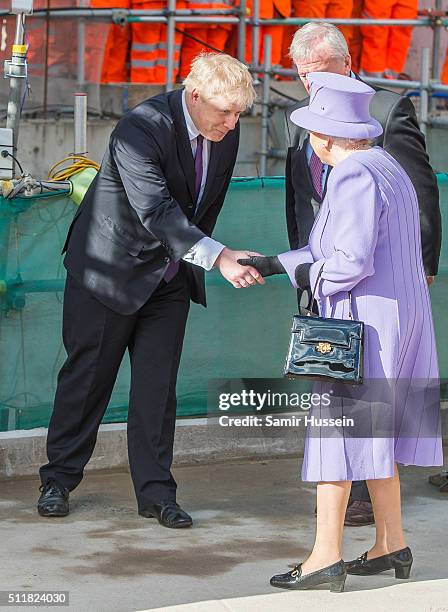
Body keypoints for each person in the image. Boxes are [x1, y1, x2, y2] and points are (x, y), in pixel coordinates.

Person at [37, 53, 263, 528]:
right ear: (194, 96)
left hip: (170, 277)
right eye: (224, 111)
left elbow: (207, 203)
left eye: (239, 112)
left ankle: (157, 494)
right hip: (109, 270)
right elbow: (155, 209)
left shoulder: (225, 128)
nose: (232, 122)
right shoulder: (139, 127)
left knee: (157, 390)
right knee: (87, 379)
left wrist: (195, 255)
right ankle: (57, 479)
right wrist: (217, 256)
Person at [239, 71, 443, 591]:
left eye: (312, 131)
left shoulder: (350, 175)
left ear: (328, 136)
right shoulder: (387, 166)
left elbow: (345, 262)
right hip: (400, 319)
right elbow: (340, 249)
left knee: (337, 434)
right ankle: (391, 544)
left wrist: (305, 273)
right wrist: (276, 263)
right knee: (379, 434)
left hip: (361, 323)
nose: (310, 141)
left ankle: (324, 557)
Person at [283, 21, 441, 527]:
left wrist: (421, 268)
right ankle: (380, 529)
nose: (313, 84)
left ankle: (348, 514)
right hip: (326, 274)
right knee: (344, 387)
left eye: (322, 72)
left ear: (347, 65)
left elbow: (419, 192)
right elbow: (300, 199)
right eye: (304, 75)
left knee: (364, 396)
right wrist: (299, 265)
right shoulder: (303, 117)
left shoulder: (386, 110)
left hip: (373, 282)